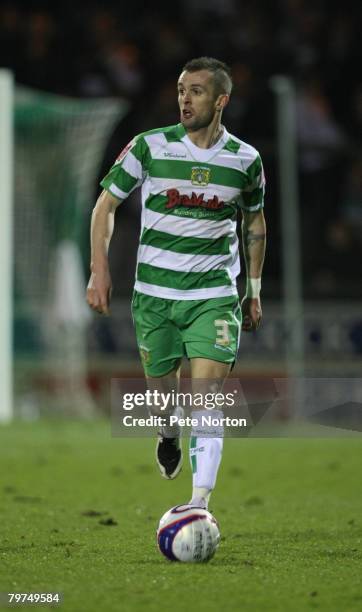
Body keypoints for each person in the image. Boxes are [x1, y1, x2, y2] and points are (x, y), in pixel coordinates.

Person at [86, 57, 266, 510]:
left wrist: (254, 289)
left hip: (213, 296)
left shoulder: (246, 160)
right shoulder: (150, 147)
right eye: (182, 90)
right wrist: (99, 269)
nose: (185, 98)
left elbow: (254, 221)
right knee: (165, 402)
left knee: (206, 400)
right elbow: (105, 207)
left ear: (221, 100)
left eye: (197, 91)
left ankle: (198, 504)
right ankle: (168, 432)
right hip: (154, 297)